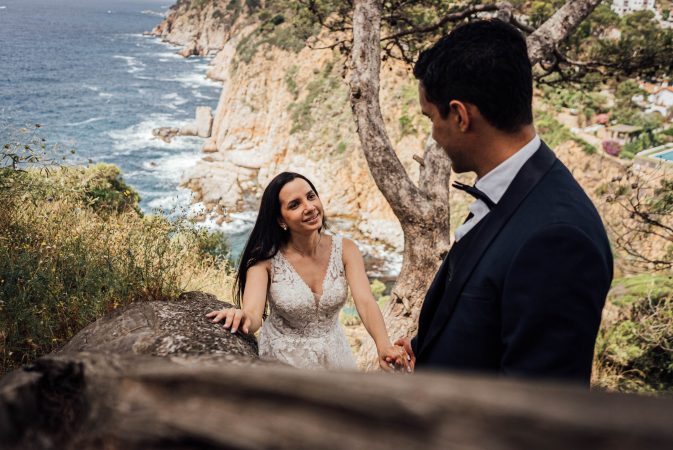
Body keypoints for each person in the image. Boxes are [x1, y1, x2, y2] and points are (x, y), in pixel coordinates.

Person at [395, 20, 613, 385]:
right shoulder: (513, 186)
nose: (432, 133)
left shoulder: (558, 240)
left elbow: (536, 410)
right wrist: (427, 350)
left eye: (431, 118)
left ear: (461, 115)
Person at [206, 172, 410, 371]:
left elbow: (365, 302)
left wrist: (383, 345)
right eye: (295, 204)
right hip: (283, 362)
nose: (310, 207)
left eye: (311, 196)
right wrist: (240, 316)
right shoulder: (264, 261)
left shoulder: (346, 249)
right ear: (280, 220)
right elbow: (253, 315)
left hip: (336, 357)